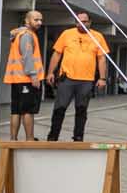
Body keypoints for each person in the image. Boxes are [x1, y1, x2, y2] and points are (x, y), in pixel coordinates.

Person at [46, 10, 109, 142]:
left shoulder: (98, 37)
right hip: (66, 79)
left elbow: (101, 59)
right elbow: (57, 54)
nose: (81, 24)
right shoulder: (67, 34)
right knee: (59, 108)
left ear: (90, 22)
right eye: (79, 21)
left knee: (81, 110)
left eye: (84, 21)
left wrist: (102, 78)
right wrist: (50, 72)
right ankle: (53, 136)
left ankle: (78, 137)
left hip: (86, 81)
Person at [2, 9, 46, 141]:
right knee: (28, 110)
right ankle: (30, 139)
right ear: (27, 21)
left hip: (17, 79)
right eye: (36, 20)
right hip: (26, 79)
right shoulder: (27, 35)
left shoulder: (20, 34)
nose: (39, 22)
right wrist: (33, 76)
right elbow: (27, 56)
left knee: (16, 110)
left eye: (41, 20)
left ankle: (13, 139)